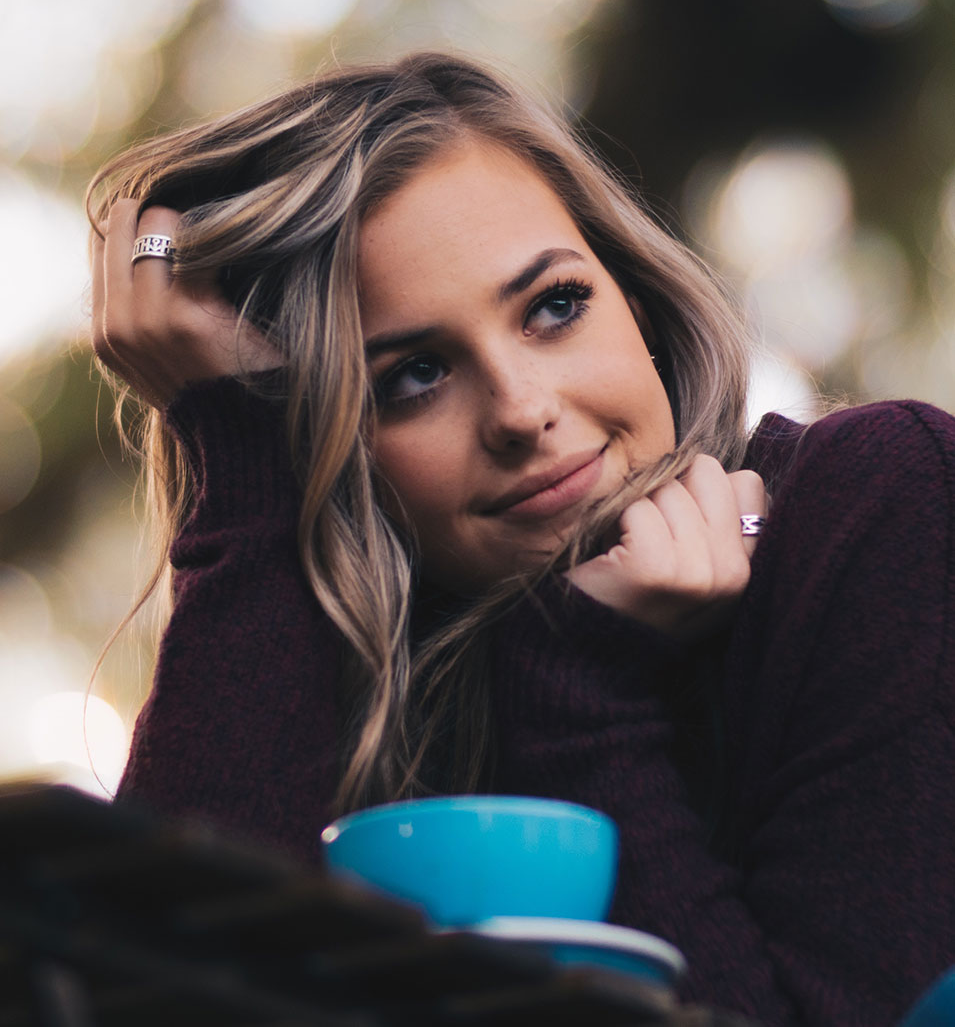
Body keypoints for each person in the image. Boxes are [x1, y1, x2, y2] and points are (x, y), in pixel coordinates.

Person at [87, 52, 955, 1026]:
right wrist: (244, 488)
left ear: (636, 300)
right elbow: (139, 992)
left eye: (553, 306)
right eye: (413, 375)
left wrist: (578, 695)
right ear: (331, 456)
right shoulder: (358, 718)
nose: (521, 410)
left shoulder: (872, 500)